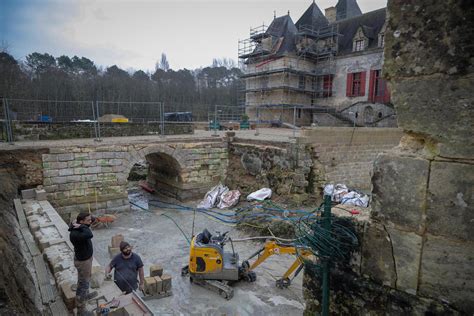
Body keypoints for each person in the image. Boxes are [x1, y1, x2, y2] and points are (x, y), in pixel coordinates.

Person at [69, 212, 98, 313]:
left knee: (85, 279)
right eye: (88, 221)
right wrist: (82, 226)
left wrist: (83, 224)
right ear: (81, 222)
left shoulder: (80, 227)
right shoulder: (75, 233)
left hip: (86, 258)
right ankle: (80, 308)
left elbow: (92, 221)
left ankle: (85, 295)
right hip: (83, 261)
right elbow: (90, 234)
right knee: (83, 284)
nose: (90, 222)